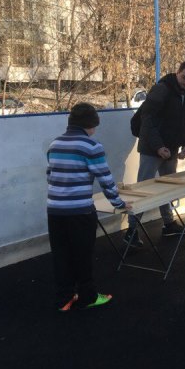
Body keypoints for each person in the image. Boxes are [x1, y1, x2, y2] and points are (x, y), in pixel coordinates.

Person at [47, 103, 132, 311]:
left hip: (55, 210)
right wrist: (119, 204)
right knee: (82, 255)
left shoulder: (54, 144)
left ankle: (64, 299)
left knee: (61, 255)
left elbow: (50, 175)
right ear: (91, 124)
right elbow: (105, 179)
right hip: (80, 211)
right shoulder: (92, 146)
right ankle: (88, 297)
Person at [125, 61, 185, 246]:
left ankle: (168, 223)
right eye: (184, 77)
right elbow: (147, 119)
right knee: (144, 188)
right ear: (177, 72)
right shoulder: (161, 89)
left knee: (167, 188)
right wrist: (158, 147)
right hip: (151, 148)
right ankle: (131, 231)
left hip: (171, 149)